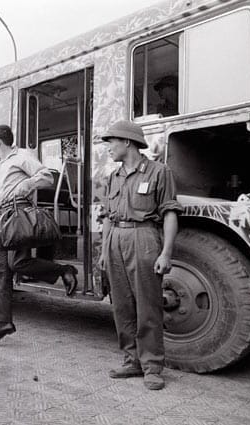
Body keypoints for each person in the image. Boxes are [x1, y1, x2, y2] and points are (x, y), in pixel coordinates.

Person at [0, 125, 78, 346]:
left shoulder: (21, 156)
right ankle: (2, 323)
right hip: (5, 218)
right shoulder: (0, 167)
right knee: (1, 272)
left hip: (19, 215)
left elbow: (46, 176)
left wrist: (26, 184)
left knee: (16, 264)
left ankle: (63, 270)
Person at [98, 120, 182, 390]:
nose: (109, 147)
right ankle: (132, 360)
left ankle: (152, 366)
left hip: (143, 237)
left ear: (127, 142)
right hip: (116, 239)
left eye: (112, 141)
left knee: (148, 305)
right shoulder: (114, 176)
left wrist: (166, 253)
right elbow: (107, 216)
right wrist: (104, 249)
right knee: (122, 305)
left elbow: (170, 212)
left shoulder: (159, 172)